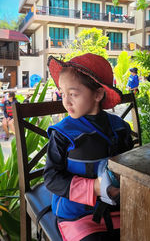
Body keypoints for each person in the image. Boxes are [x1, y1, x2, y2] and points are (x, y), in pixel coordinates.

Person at [44, 53, 133, 241]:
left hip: (118, 209)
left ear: (98, 94)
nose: (65, 101)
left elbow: (129, 167)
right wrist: (94, 188)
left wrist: (120, 187)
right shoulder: (62, 133)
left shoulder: (120, 128)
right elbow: (51, 178)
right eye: (62, 93)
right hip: (77, 216)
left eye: (73, 94)